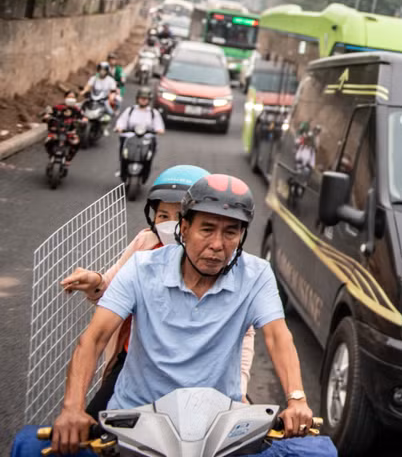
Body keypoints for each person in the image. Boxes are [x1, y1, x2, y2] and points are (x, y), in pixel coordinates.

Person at [40, 173, 317, 455]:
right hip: (134, 420)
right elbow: (95, 338)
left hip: (219, 424)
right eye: (206, 229)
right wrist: (72, 408)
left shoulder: (256, 275)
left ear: (242, 235)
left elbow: (278, 337)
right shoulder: (141, 268)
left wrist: (296, 400)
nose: (218, 244)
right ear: (183, 229)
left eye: (231, 232)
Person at [56, 166, 256, 415]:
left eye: (178, 214)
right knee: (92, 430)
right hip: (134, 363)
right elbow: (111, 290)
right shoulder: (144, 245)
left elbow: (243, 335)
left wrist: (240, 384)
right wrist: (94, 281)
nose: (170, 224)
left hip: (202, 373)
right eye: (162, 215)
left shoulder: (225, 263)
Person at [113, 86, 165, 181]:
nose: (143, 100)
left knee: (148, 156)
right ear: (137, 99)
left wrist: (159, 130)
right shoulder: (130, 110)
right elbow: (122, 121)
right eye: (141, 98)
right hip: (130, 136)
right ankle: (123, 170)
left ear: (149, 100)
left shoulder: (154, 113)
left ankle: (146, 172)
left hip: (147, 138)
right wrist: (119, 127)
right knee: (124, 153)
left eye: (146, 99)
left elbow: (159, 127)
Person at [41, 92, 83, 168]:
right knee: (47, 141)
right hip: (56, 131)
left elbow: (82, 118)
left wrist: (83, 122)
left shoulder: (77, 110)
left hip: (70, 133)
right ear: (65, 97)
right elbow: (49, 114)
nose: (71, 99)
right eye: (69, 97)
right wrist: (47, 117)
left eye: (73, 98)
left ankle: (68, 159)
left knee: (76, 143)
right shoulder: (58, 107)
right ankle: (51, 154)